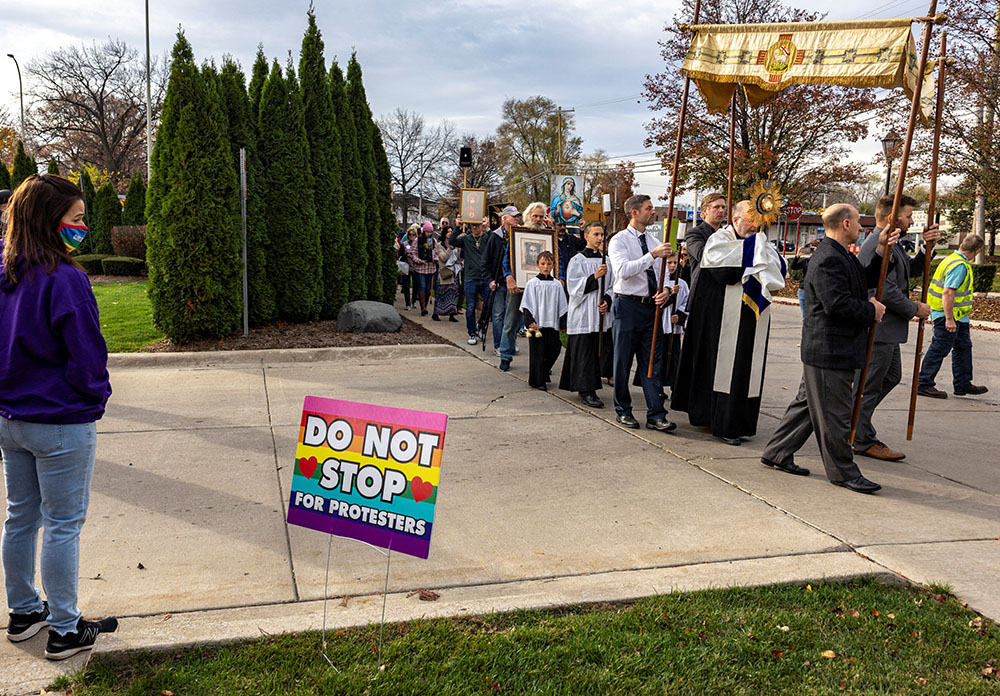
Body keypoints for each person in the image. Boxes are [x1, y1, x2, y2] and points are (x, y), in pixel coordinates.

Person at [1, 174, 118, 659]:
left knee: (21, 517)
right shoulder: (65, 280)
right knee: (63, 523)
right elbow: (87, 356)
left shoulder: (4, 273)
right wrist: (94, 398)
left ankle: (25, 611)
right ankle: (66, 630)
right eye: (75, 219)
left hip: (11, 420)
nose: (83, 227)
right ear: (52, 223)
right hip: (60, 421)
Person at [761, 204, 896, 495]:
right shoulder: (827, 258)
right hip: (830, 350)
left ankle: (777, 451)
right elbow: (836, 304)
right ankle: (843, 473)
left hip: (830, 349)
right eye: (859, 222)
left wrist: (884, 250)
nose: (862, 228)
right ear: (846, 224)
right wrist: (869, 310)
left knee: (807, 408)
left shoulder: (839, 254)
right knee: (835, 414)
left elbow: (862, 281)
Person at [671, 200, 786, 446]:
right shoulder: (719, 239)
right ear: (736, 220)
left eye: (759, 220)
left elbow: (778, 270)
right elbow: (717, 268)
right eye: (750, 219)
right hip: (722, 317)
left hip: (752, 317)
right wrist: (752, 255)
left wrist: (759, 254)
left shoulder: (761, 242)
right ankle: (722, 422)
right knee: (722, 370)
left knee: (747, 369)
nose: (755, 226)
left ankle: (741, 422)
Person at [852, 195, 940, 461]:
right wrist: (915, 309)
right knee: (868, 385)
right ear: (893, 217)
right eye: (909, 215)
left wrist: (926, 249)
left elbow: (905, 272)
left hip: (888, 331)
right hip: (878, 330)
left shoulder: (892, 243)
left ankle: (855, 424)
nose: (913, 220)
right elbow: (885, 289)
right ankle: (860, 435)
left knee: (889, 378)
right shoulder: (879, 243)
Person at [608, 194, 676, 432]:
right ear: (635, 212)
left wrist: (666, 290)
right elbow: (623, 271)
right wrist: (652, 255)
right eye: (648, 208)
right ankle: (623, 410)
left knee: (652, 363)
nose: (653, 212)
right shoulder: (619, 241)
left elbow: (664, 274)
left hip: (651, 307)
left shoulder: (655, 240)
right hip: (627, 306)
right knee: (623, 361)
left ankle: (656, 413)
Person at [917, 234, 989, 399]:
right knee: (940, 348)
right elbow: (948, 292)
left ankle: (963, 383)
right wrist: (949, 318)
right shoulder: (959, 266)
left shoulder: (951, 259)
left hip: (958, 315)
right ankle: (924, 383)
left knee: (963, 347)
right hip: (947, 314)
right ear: (977, 251)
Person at [560, 221, 614, 407]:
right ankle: (586, 390)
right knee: (584, 353)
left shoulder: (606, 260)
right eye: (596, 234)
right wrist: (594, 277)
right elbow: (574, 287)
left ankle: (591, 386)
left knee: (596, 351)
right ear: (586, 236)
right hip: (583, 313)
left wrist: (607, 299)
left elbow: (613, 286)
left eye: (601, 235)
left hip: (600, 313)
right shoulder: (578, 260)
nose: (600, 238)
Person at [498, 202, 547, 371]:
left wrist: (560, 279)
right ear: (528, 217)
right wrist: (509, 277)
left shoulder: (548, 236)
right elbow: (507, 260)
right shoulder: (517, 234)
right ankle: (505, 355)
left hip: (541, 288)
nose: (538, 219)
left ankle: (543, 362)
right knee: (511, 322)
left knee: (541, 324)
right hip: (517, 286)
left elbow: (557, 261)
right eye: (535, 216)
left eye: (541, 216)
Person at [636, 249, 688, 398]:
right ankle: (657, 388)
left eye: (674, 263)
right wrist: (671, 294)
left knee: (674, 359)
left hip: (673, 328)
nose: (672, 266)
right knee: (658, 358)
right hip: (660, 325)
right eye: (669, 263)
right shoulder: (659, 282)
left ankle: (675, 388)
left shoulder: (682, 283)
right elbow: (657, 302)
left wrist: (679, 315)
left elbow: (687, 302)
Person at [521, 251, 567, 390]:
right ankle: (537, 380)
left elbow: (562, 305)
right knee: (537, 353)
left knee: (554, 348)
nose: (546, 267)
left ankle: (543, 372)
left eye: (548, 264)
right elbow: (526, 304)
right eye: (543, 264)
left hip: (552, 323)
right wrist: (530, 321)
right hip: (536, 324)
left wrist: (563, 323)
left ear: (553, 265)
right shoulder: (532, 283)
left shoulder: (557, 285)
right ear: (537, 265)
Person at [482, 205, 520, 354]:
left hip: (515, 283)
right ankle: (499, 345)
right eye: (514, 216)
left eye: (518, 216)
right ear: (505, 218)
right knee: (498, 315)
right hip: (498, 283)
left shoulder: (519, 235)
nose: (517, 218)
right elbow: (485, 261)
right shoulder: (495, 236)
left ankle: (510, 343)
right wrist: (490, 280)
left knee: (513, 316)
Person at [452, 221, 490, 345]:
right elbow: (452, 241)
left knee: (488, 304)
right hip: (471, 277)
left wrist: (488, 228)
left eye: (478, 225)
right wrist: (457, 226)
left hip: (485, 277)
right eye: (473, 225)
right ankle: (472, 333)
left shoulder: (487, 237)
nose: (475, 227)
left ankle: (481, 325)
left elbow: (497, 241)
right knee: (470, 306)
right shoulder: (466, 239)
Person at [684, 193, 727, 290]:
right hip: (703, 291)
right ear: (705, 210)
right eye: (716, 207)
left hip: (725, 290)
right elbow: (703, 255)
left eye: (723, 207)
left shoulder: (727, 233)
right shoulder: (694, 234)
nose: (721, 210)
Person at [406, 221, 438, 316]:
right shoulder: (417, 241)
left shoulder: (434, 241)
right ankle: (423, 307)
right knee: (422, 286)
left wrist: (435, 259)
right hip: (420, 268)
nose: (429, 233)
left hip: (430, 267)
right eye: (427, 231)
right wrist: (418, 260)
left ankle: (426, 305)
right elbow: (413, 253)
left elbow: (436, 253)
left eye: (431, 232)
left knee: (428, 289)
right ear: (424, 231)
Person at [432, 229, 460, 322]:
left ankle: (452, 313)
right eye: (448, 231)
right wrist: (449, 249)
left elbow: (459, 257)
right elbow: (443, 258)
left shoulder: (456, 245)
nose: (450, 233)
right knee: (441, 293)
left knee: (452, 294)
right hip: (444, 272)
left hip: (453, 273)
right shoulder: (440, 245)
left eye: (452, 231)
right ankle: (436, 313)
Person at [398, 225, 417, 310]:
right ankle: (407, 303)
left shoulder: (418, 244)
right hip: (407, 266)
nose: (411, 236)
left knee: (416, 285)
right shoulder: (404, 244)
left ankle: (414, 301)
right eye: (410, 234)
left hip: (416, 266)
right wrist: (406, 255)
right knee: (406, 285)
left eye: (413, 234)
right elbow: (400, 255)